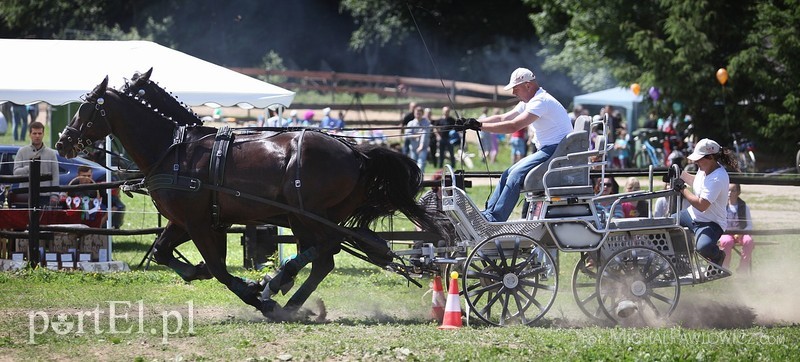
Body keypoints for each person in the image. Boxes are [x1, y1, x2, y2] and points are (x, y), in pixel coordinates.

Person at [459, 67, 573, 222]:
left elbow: (513, 126)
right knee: (508, 173)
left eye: (516, 88)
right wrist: (471, 122)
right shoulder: (530, 101)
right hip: (552, 149)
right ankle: (488, 214)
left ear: (528, 85)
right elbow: (502, 118)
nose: (513, 93)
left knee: (515, 175)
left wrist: (479, 126)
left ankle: (494, 219)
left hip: (557, 150)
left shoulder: (540, 101)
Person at [677, 138, 738, 266]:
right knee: (667, 224)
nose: (696, 162)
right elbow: (697, 183)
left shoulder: (717, 178)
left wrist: (682, 189)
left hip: (711, 223)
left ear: (710, 157)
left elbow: (702, 205)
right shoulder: (704, 168)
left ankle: (718, 256)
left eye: (699, 159)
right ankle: (682, 263)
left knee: (703, 247)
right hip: (692, 215)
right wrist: (679, 173)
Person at [13, 121, 60, 207]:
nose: (37, 136)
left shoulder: (51, 153)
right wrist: (29, 167)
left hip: (45, 196)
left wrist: (54, 195)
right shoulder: (22, 151)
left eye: (39, 133)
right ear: (30, 134)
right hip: (25, 194)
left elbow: (55, 175)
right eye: (34, 133)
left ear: (43, 134)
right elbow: (16, 172)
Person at [718, 183, 754, 273]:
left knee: (748, 241)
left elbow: (749, 225)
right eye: (728, 190)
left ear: (738, 192)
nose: (729, 193)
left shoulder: (744, 207)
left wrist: (742, 232)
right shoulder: (722, 207)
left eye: (733, 190)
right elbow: (719, 223)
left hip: (742, 233)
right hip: (726, 233)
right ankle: (725, 268)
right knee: (726, 241)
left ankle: (743, 268)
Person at [405, 107, 431, 172]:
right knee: (413, 165)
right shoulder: (411, 123)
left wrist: (421, 146)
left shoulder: (426, 123)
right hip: (413, 148)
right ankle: (414, 181)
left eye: (419, 113)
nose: (418, 115)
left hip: (423, 148)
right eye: (417, 113)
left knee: (421, 165)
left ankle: (421, 180)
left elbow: (425, 134)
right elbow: (406, 135)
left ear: (422, 114)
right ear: (414, 114)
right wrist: (415, 136)